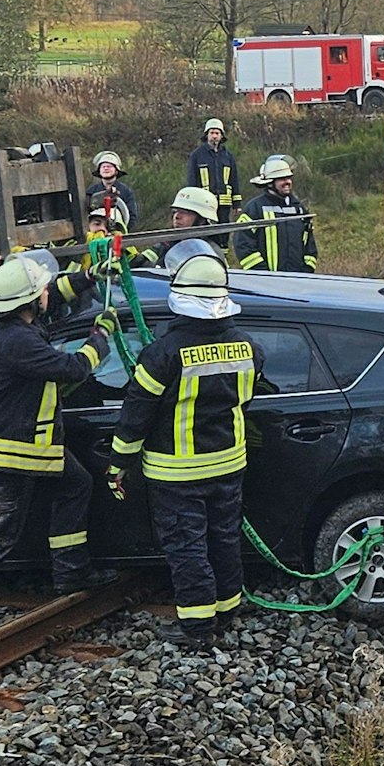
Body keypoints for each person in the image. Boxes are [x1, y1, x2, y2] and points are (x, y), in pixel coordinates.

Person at [0, 255, 119, 637]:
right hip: (8, 451)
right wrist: (101, 338)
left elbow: (54, 294)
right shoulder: (19, 341)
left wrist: (90, 275)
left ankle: (71, 572)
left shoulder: (8, 322)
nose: (49, 292)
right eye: (42, 290)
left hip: (28, 443)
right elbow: (74, 369)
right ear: (28, 303)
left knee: (76, 484)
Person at [108, 252, 259, 650]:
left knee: (187, 547)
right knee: (223, 538)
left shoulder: (161, 354)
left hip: (177, 473)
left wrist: (119, 463)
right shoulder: (248, 348)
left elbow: (135, 415)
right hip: (229, 465)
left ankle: (196, 628)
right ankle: (227, 609)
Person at [233, 156, 317, 273]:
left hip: (298, 283)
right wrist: (261, 273)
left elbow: (310, 245)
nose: (288, 182)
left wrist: (307, 271)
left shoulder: (299, 209)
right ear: (270, 183)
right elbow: (243, 243)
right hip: (266, 284)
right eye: (282, 178)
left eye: (289, 178)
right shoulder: (255, 208)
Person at [186, 119, 240, 225]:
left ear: (221, 136)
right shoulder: (197, 155)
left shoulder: (228, 157)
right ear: (207, 135)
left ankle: (223, 242)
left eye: (217, 133)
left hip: (224, 203)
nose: (214, 136)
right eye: (212, 133)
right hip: (204, 202)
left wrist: (237, 204)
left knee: (223, 230)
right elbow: (192, 180)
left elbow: (234, 180)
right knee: (206, 230)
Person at [84, 151, 137, 224]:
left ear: (116, 171)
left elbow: (132, 216)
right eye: (103, 166)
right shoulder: (91, 191)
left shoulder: (126, 191)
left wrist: (123, 232)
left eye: (109, 166)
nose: (106, 168)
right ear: (99, 171)